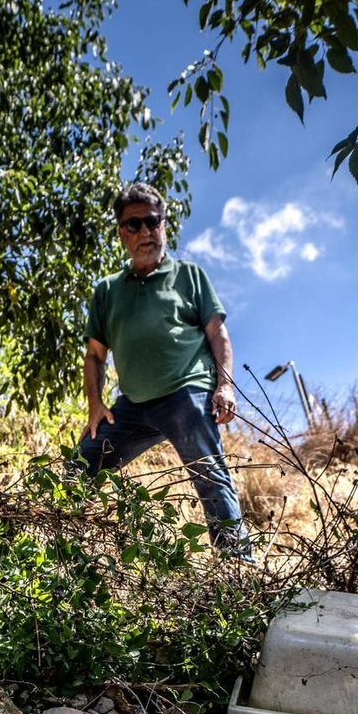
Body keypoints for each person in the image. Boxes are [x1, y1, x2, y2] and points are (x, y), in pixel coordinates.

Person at [77, 181, 250, 555]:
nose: (146, 232)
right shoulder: (107, 291)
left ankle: (237, 566)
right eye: (135, 224)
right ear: (122, 232)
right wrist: (96, 404)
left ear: (164, 225)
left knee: (209, 473)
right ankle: (60, 551)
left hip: (186, 391)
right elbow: (94, 355)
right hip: (133, 404)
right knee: (81, 465)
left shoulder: (189, 275)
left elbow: (218, 334)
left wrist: (225, 386)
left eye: (153, 222)